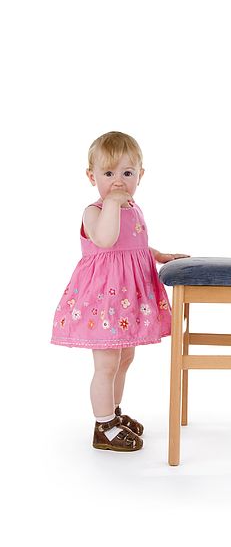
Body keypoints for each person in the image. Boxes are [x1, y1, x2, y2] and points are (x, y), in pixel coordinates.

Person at [51, 131, 189, 452]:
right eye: (108, 174)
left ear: (140, 175)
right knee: (107, 364)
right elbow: (106, 240)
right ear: (91, 176)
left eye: (127, 173)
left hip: (127, 299)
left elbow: (133, 243)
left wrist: (158, 255)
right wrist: (112, 202)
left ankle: (113, 414)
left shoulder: (133, 208)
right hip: (105, 300)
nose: (118, 181)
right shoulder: (95, 211)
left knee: (125, 357)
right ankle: (102, 426)